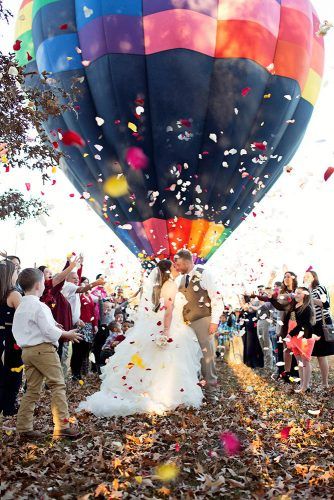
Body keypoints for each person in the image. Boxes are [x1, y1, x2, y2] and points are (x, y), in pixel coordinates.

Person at [78, 259, 203, 416]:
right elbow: (168, 311)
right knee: (166, 360)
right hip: (167, 327)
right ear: (168, 271)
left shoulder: (158, 287)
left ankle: (147, 388)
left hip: (156, 327)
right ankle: (161, 392)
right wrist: (165, 331)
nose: (176, 268)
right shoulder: (170, 285)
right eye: (173, 266)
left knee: (151, 360)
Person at [12, 268, 83, 440]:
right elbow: (48, 331)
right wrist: (67, 334)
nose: (45, 286)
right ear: (38, 285)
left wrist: (54, 325)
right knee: (57, 385)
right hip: (44, 350)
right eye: (44, 283)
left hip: (27, 352)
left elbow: (31, 327)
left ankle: (24, 428)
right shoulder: (39, 305)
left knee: (32, 390)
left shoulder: (21, 306)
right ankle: (63, 426)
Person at [174, 249, 223, 402]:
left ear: (187, 262)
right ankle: (194, 389)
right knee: (190, 356)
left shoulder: (204, 273)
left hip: (203, 320)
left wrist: (214, 321)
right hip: (185, 324)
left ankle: (211, 391)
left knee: (206, 357)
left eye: (179, 264)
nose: (177, 267)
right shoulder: (180, 280)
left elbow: (216, 298)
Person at [263, 287, 317, 393]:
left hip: (303, 337)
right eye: (296, 293)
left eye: (299, 293)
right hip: (293, 337)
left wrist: (290, 334)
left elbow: (302, 324)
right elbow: (280, 306)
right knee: (299, 362)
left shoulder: (307, 308)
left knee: (305, 361)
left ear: (305, 295)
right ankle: (302, 385)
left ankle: (306, 386)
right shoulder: (293, 305)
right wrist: (271, 299)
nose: (296, 295)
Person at [304, 270, 334, 389]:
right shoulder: (305, 290)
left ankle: (325, 383)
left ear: (314, 277)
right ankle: (318, 383)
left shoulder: (320, 287)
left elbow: (325, 304)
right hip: (313, 324)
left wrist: (309, 298)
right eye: (304, 276)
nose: (305, 277)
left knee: (322, 354)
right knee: (315, 355)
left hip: (323, 322)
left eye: (308, 275)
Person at [0, 257, 22, 417]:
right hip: (9, 341)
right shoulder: (14, 294)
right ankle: (8, 407)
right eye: (16, 270)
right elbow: (28, 316)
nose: (17, 273)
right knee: (12, 375)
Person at [70, 277, 98, 380]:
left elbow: (93, 312)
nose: (86, 284)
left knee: (86, 349)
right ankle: (75, 373)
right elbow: (74, 310)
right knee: (77, 349)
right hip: (80, 324)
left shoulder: (89, 296)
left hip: (89, 326)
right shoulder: (77, 295)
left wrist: (94, 324)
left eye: (87, 282)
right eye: (84, 283)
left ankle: (82, 371)